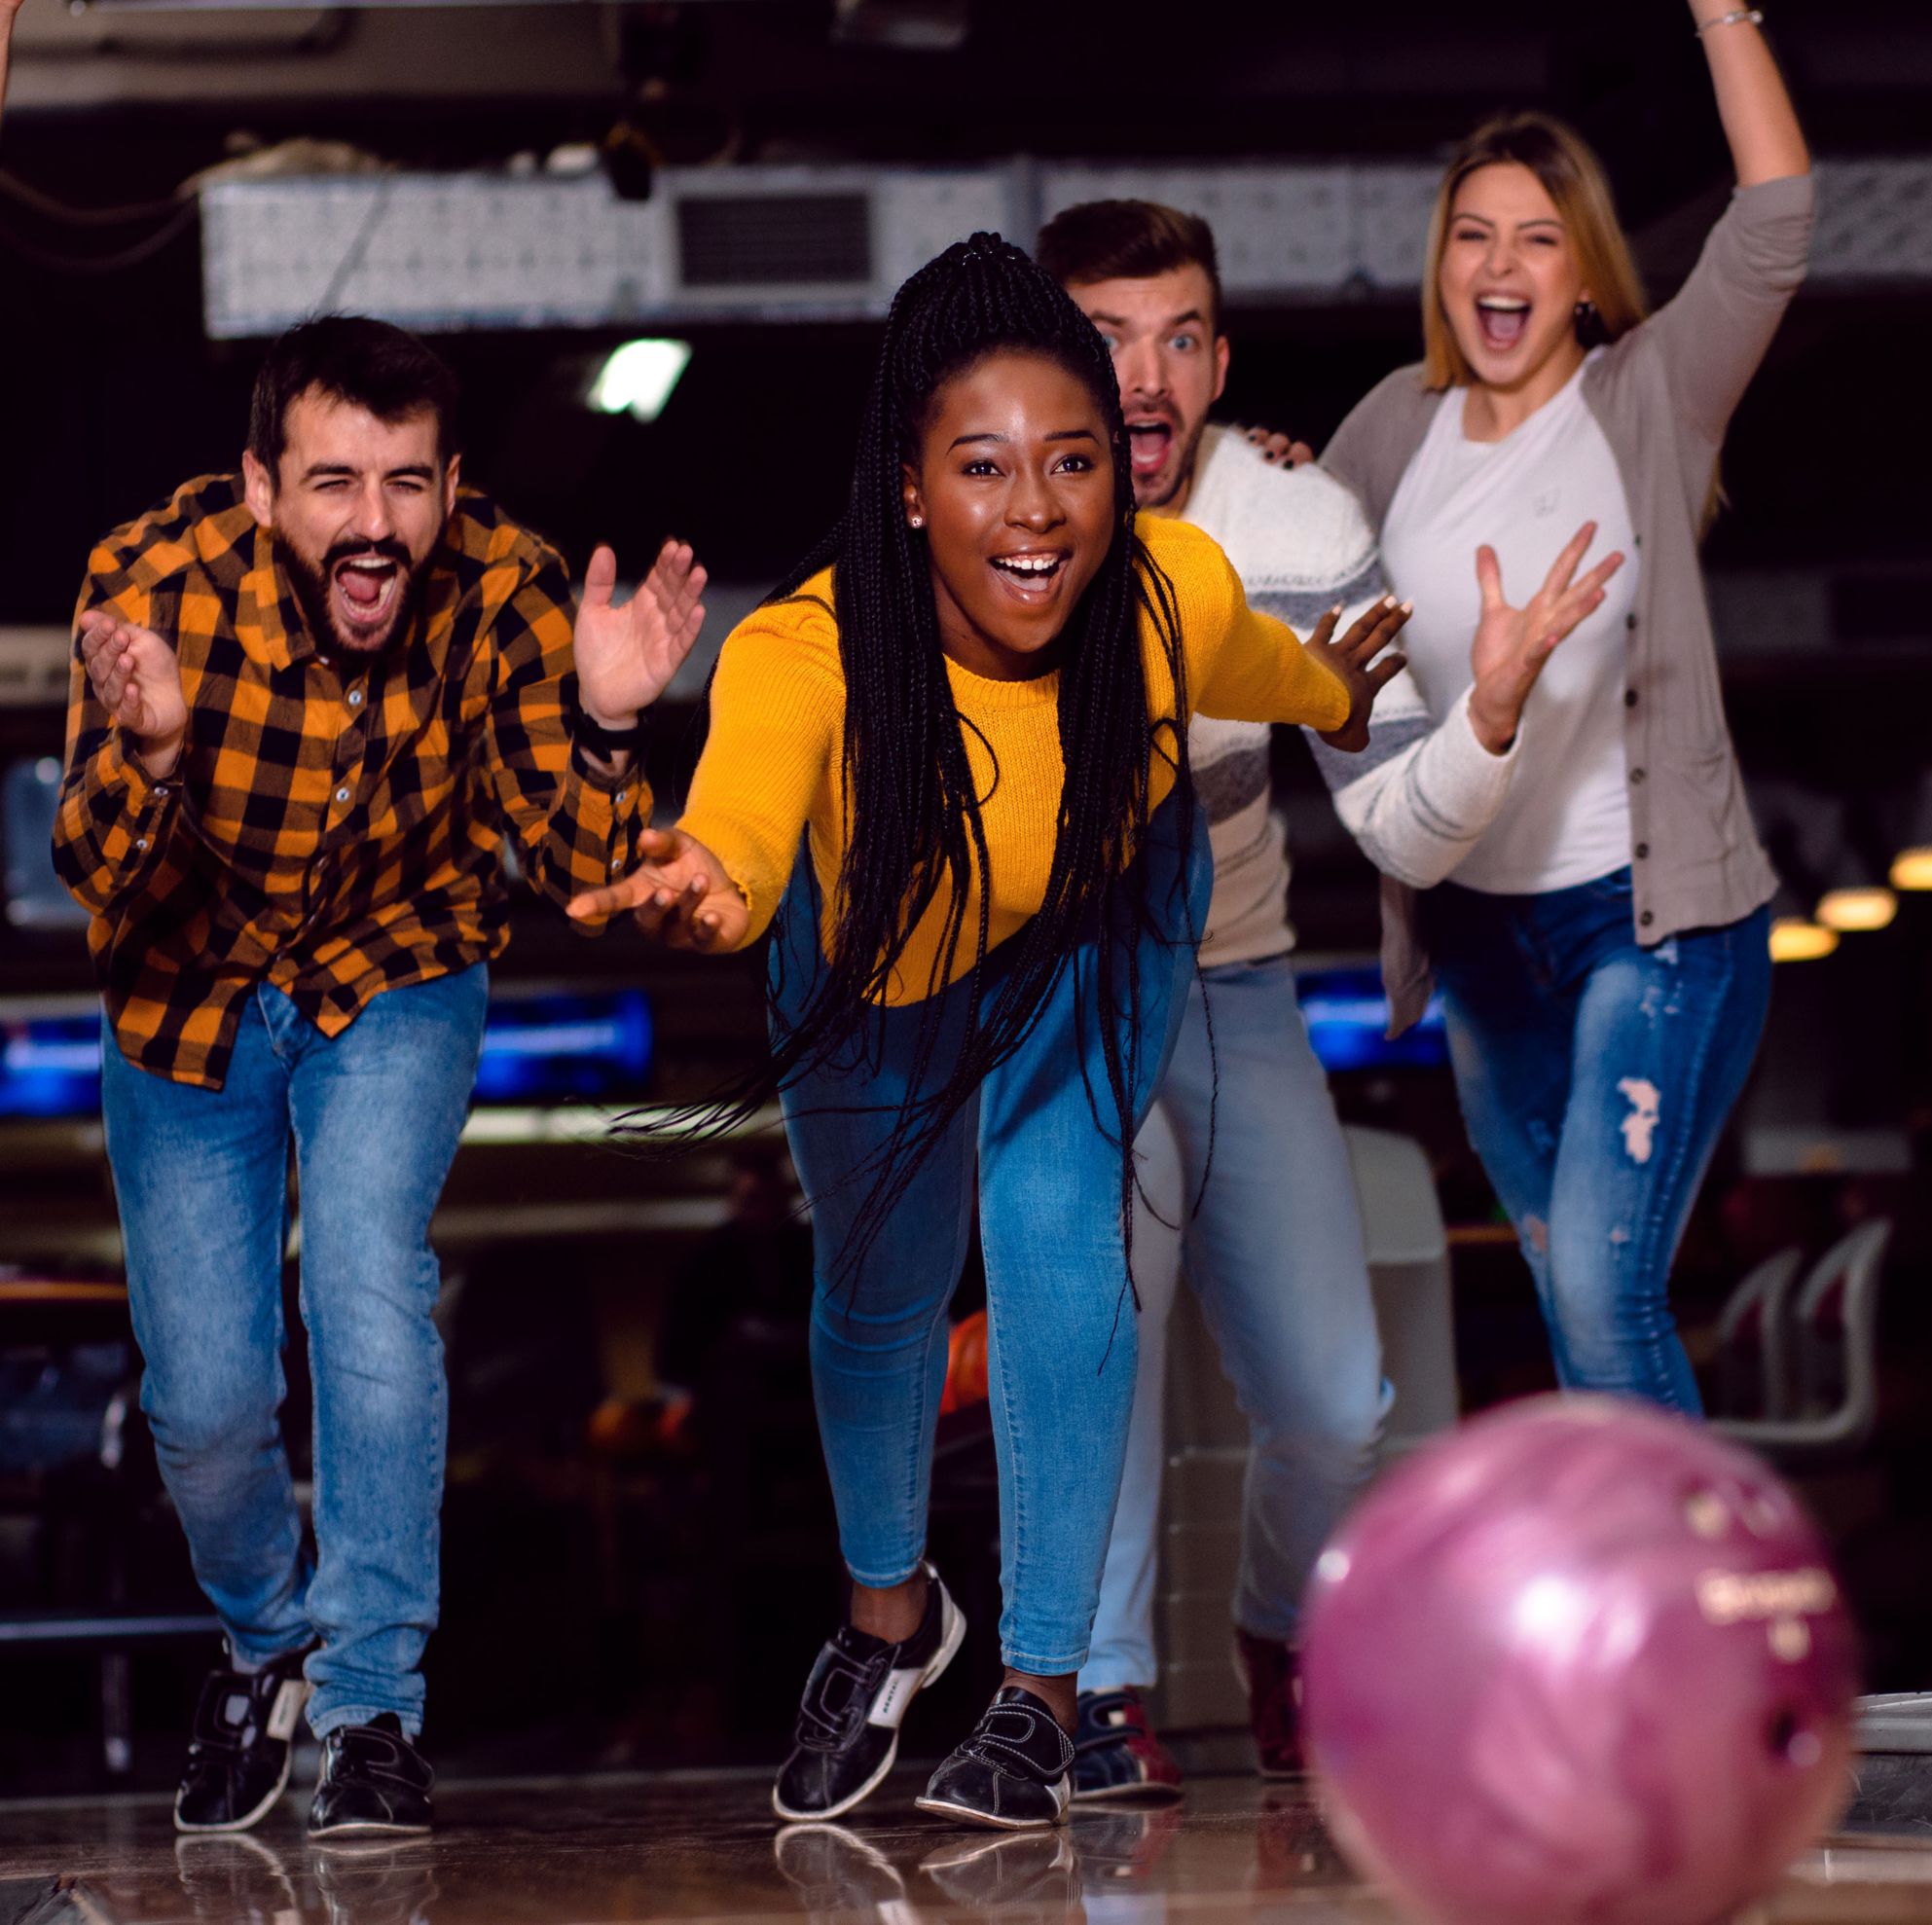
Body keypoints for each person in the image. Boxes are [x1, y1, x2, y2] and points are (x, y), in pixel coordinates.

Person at [567, 232, 1403, 1830]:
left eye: (1074, 463)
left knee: (1060, 1248)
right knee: (876, 1294)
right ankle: (890, 1623)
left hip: (1095, 919)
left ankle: (1040, 1694)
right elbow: (739, 833)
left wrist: (1349, 699)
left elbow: (1284, 674)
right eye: (985, 466)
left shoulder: (1172, 592)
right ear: (907, 486)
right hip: (872, 950)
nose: (1037, 511)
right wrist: (701, 881)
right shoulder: (806, 650)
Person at [55, 315, 706, 1838]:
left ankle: (368, 1708)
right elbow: (99, 882)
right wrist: (150, 756)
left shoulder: (508, 586)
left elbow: (578, 863)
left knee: (365, 1280)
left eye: (406, 485)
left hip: (395, 974)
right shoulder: (149, 587)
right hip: (186, 995)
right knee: (205, 1400)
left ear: (450, 482)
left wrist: (609, 721)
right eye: (333, 481)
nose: (373, 523)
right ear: (261, 482)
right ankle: (266, 1641)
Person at [1034, 199, 1622, 1797]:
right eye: (1099, 340)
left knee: (1332, 1393)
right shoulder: (988, 515)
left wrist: (1485, 720)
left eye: (1176, 338)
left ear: (1219, 360)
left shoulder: (1290, 524)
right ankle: (1098, 1694)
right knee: (1109, 1339)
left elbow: (1391, 814)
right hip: (1059, 1005)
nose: (1140, 378)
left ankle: (1281, 1629)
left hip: (1234, 986)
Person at [1321, 3, 1813, 1414]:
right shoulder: (1386, 432)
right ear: (1443, 265)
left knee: (1606, 1291)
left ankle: (1689, 1617)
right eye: (1474, 233)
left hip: (1645, 921)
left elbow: (1777, 215)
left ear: (1585, 270)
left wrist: (1721, 16)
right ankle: (1630, 1603)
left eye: (1538, 236)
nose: (1500, 263)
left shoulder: (1648, 394)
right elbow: (1296, 604)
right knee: (1559, 1283)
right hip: (1478, 940)